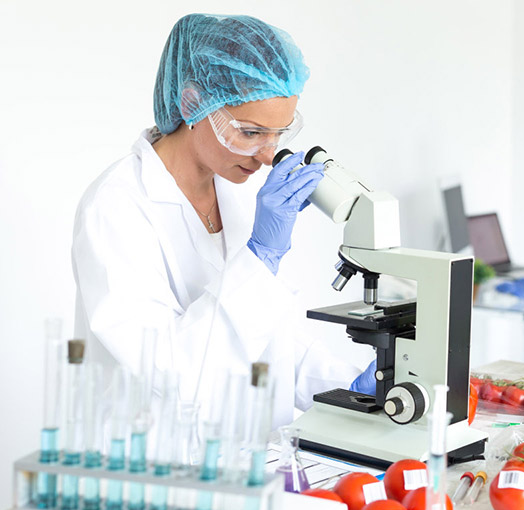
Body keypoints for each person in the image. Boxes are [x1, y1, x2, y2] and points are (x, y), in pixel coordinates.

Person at [72, 14, 375, 427]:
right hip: (154, 454)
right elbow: (168, 373)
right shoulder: (116, 207)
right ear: (193, 104)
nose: (267, 156)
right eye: (250, 133)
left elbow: (264, 336)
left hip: (242, 452)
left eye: (279, 134)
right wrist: (259, 260)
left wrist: (345, 387)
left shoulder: (233, 188)